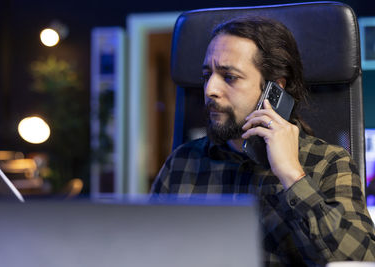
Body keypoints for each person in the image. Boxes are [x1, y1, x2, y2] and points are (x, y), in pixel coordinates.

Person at [151, 17, 375, 266]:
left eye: (229, 77)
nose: (210, 89)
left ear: (274, 89)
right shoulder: (182, 163)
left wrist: (292, 176)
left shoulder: (329, 163)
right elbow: (144, 251)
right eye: (207, 75)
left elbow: (362, 258)